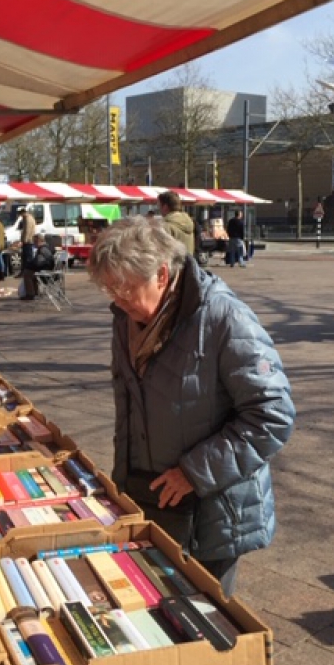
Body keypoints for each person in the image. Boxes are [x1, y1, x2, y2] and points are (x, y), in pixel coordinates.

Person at [87, 217, 295, 596]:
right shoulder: (127, 317)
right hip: (149, 497)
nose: (117, 299)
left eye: (125, 288)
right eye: (110, 290)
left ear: (162, 275)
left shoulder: (224, 318)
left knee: (203, 624)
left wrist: (194, 472)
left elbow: (272, 415)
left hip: (210, 511)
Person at [21, 233, 55, 301]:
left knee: (27, 273)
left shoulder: (42, 249)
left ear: (39, 241)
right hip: (47, 270)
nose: (33, 244)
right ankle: (34, 292)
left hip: (45, 272)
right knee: (30, 271)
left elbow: (38, 263)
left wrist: (29, 264)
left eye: (34, 242)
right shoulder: (45, 248)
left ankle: (30, 294)